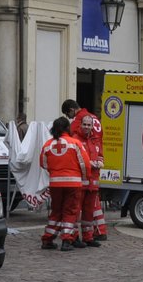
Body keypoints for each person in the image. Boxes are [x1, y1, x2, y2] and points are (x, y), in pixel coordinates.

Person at [39, 117, 89, 250]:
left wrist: (55, 171)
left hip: (55, 184)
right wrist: (84, 177)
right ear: (68, 128)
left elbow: (43, 164)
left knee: (56, 212)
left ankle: (47, 239)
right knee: (70, 212)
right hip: (73, 184)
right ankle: (67, 240)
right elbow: (85, 164)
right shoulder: (75, 143)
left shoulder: (47, 145)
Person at [71, 105, 108, 247]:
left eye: (89, 125)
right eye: (84, 124)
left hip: (92, 182)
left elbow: (100, 156)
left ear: (92, 126)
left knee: (88, 213)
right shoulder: (75, 140)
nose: (87, 127)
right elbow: (75, 160)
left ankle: (88, 237)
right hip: (80, 183)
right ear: (81, 125)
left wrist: (99, 162)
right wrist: (90, 164)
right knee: (75, 212)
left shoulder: (95, 140)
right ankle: (74, 238)